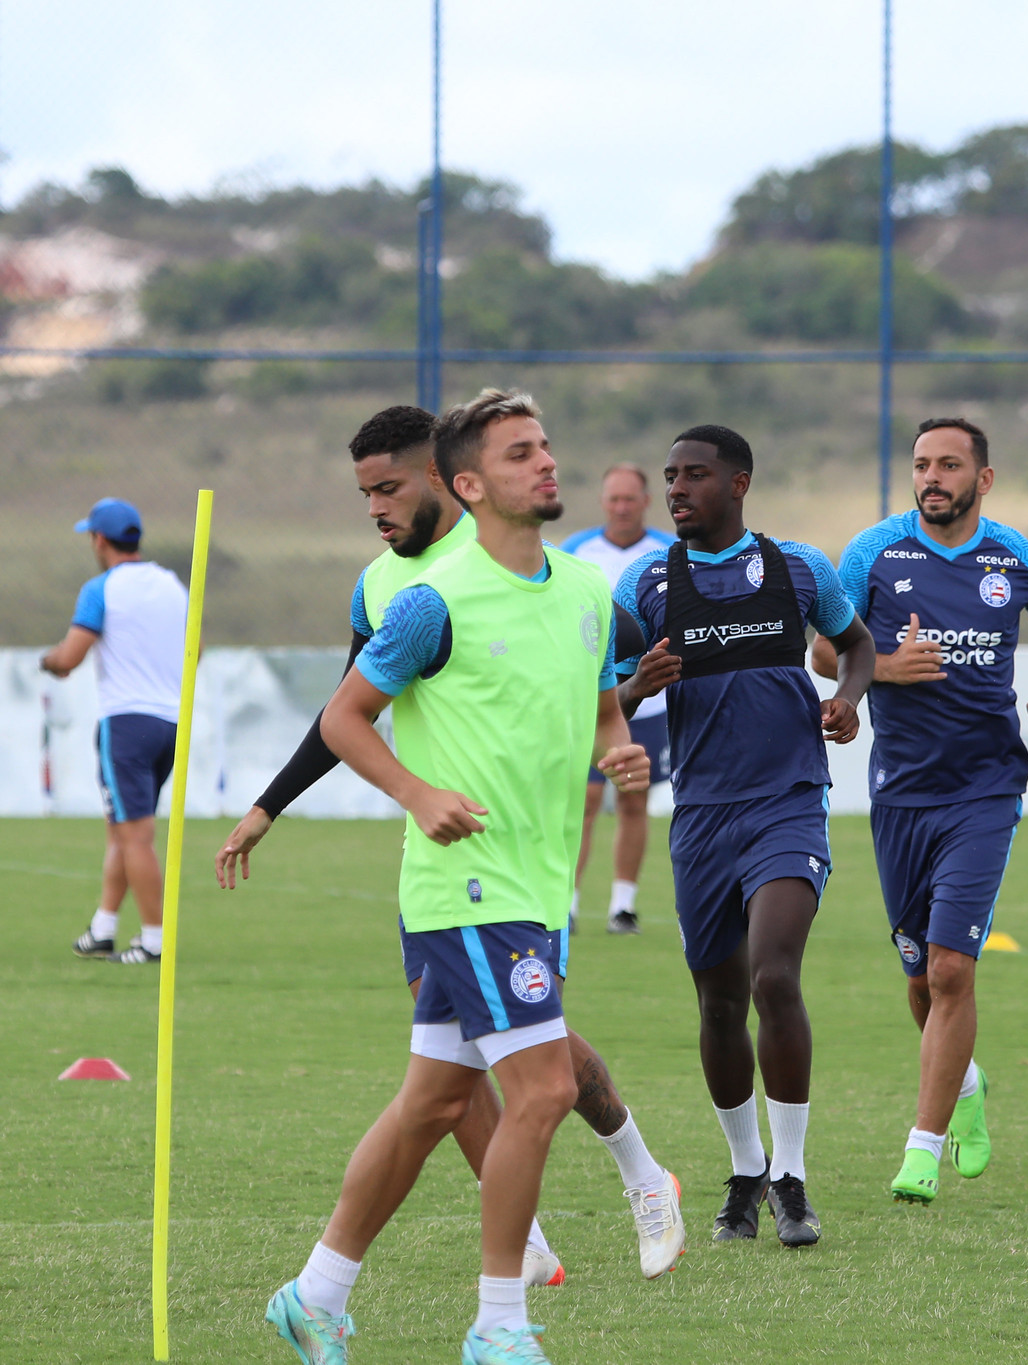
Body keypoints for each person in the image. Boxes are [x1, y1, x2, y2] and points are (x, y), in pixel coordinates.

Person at [220, 404, 683, 1296]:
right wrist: (274, 804)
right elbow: (344, 713)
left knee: (466, 1078)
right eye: (363, 494)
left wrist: (619, 722)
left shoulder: (562, 578)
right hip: (455, 869)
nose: (375, 509)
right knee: (515, 1072)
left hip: (535, 867)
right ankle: (515, 1276)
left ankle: (323, 1291)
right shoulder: (398, 593)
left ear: (442, 479)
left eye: (386, 487)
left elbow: (587, 680)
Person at [613, 423, 875, 1247]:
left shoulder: (799, 568)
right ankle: (745, 1172)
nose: (677, 489)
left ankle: (793, 1181)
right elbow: (597, 703)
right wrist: (635, 685)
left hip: (787, 802)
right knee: (719, 1001)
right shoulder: (646, 582)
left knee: (772, 976)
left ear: (740, 483)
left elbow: (857, 645)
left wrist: (850, 698)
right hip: (701, 817)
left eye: (694, 475)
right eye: (669, 477)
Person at [818, 415, 1028, 1205]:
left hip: (986, 787)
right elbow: (825, 649)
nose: (932, 477)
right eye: (922, 464)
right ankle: (964, 1084)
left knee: (951, 966)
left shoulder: (1017, 558)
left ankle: (921, 1147)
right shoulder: (872, 552)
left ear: (983, 479)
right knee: (918, 976)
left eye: (949, 465)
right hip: (899, 788)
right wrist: (883, 671)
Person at [44, 498, 188, 966]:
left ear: (99, 540)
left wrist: (47, 661)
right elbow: (195, 649)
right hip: (170, 723)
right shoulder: (171, 585)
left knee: (135, 836)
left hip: (125, 725)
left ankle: (152, 940)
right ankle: (103, 928)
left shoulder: (101, 588)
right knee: (121, 832)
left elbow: (69, 658)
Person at [563, 464, 678, 935]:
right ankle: (566, 901)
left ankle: (623, 906)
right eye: (614, 499)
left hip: (650, 703)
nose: (621, 507)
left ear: (646, 501)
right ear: (603, 501)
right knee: (585, 800)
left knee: (633, 800)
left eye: (630, 499)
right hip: (594, 699)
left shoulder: (670, 551)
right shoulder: (576, 551)